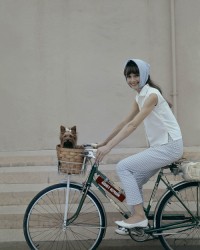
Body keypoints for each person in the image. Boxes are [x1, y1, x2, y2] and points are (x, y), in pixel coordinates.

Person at [95, 59, 183, 235]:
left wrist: (109, 148)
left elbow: (132, 125)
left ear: (144, 75)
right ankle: (139, 222)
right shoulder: (141, 96)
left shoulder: (151, 95)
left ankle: (139, 217)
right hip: (160, 147)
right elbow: (125, 122)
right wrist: (104, 142)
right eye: (129, 76)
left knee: (123, 166)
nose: (132, 80)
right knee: (133, 181)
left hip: (169, 146)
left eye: (136, 75)